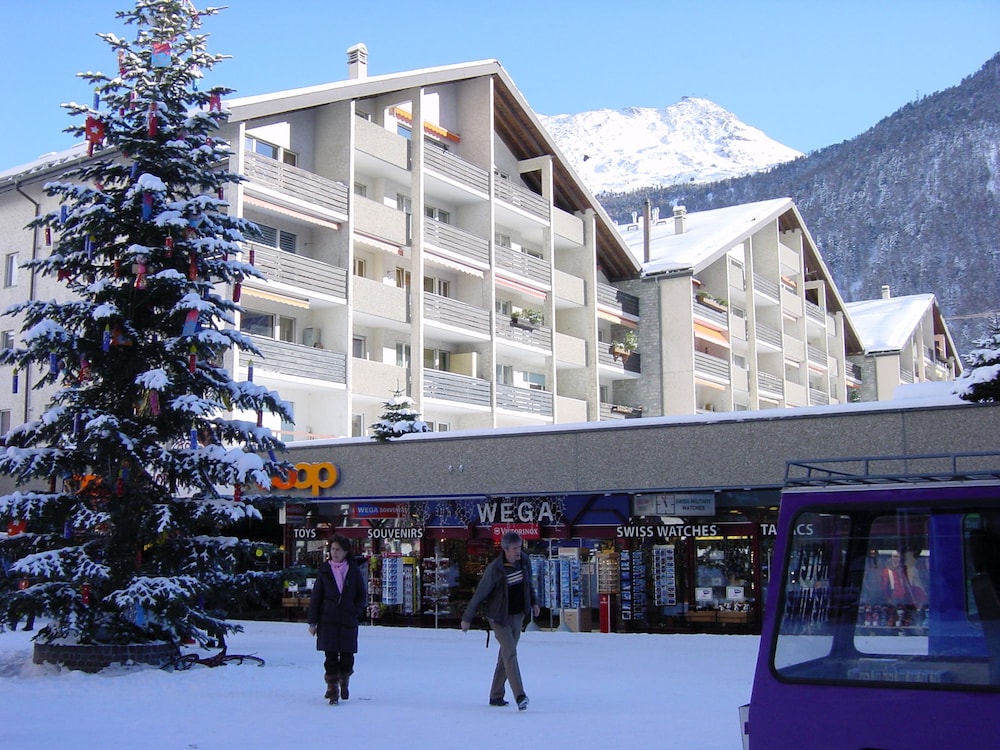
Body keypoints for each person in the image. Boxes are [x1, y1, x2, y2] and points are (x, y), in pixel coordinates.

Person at [461, 531, 540, 711]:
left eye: (519, 547)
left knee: (505, 655)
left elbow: (529, 585)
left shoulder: (524, 562)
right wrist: (467, 618)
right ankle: (520, 695)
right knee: (510, 652)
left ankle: (496, 695)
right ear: (505, 549)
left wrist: (534, 602)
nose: (517, 552)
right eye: (514, 549)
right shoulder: (495, 569)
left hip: (517, 615)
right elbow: (480, 594)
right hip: (498, 618)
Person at [307, 535, 366, 705]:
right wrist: (312, 622)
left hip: (348, 619)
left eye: (338, 549)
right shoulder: (325, 570)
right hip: (328, 619)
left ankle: (344, 679)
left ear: (346, 552)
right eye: (332, 549)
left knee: (347, 657)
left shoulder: (353, 571)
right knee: (330, 657)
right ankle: (332, 688)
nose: (334, 552)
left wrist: (356, 610)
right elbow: (316, 596)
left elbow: (361, 594)